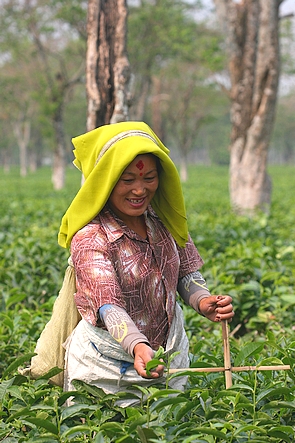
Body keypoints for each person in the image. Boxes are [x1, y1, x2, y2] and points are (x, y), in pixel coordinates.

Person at [58, 121, 234, 405]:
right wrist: (137, 345)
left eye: (149, 178)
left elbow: (187, 274)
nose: (140, 190)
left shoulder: (164, 221)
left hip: (168, 355)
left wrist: (203, 301)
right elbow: (108, 305)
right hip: (107, 365)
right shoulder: (91, 238)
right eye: (127, 180)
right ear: (106, 180)